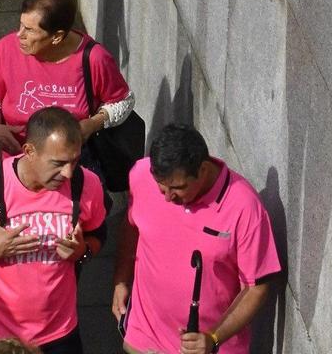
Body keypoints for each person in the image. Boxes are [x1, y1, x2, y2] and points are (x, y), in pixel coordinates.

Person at [0, 106, 105, 354]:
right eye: (58, 163)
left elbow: (98, 235)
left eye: (74, 160)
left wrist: (82, 252)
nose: (68, 172)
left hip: (59, 334)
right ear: (29, 151)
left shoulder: (85, 184)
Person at [113, 123, 282, 354]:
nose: (168, 197)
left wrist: (213, 338)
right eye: (161, 188)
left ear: (203, 169)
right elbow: (132, 226)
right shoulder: (141, 175)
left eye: (178, 188)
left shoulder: (244, 207)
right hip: (144, 341)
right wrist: (121, 280)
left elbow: (256, 289)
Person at [0, 0, 135, 155]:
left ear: (57, 37)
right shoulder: (5, 49)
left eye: (30, 30)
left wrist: (93, 124)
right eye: (21, 25)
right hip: (17, 160)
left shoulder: (94, 58)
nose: (20, 35)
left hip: (73, 161)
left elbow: (123, 101)